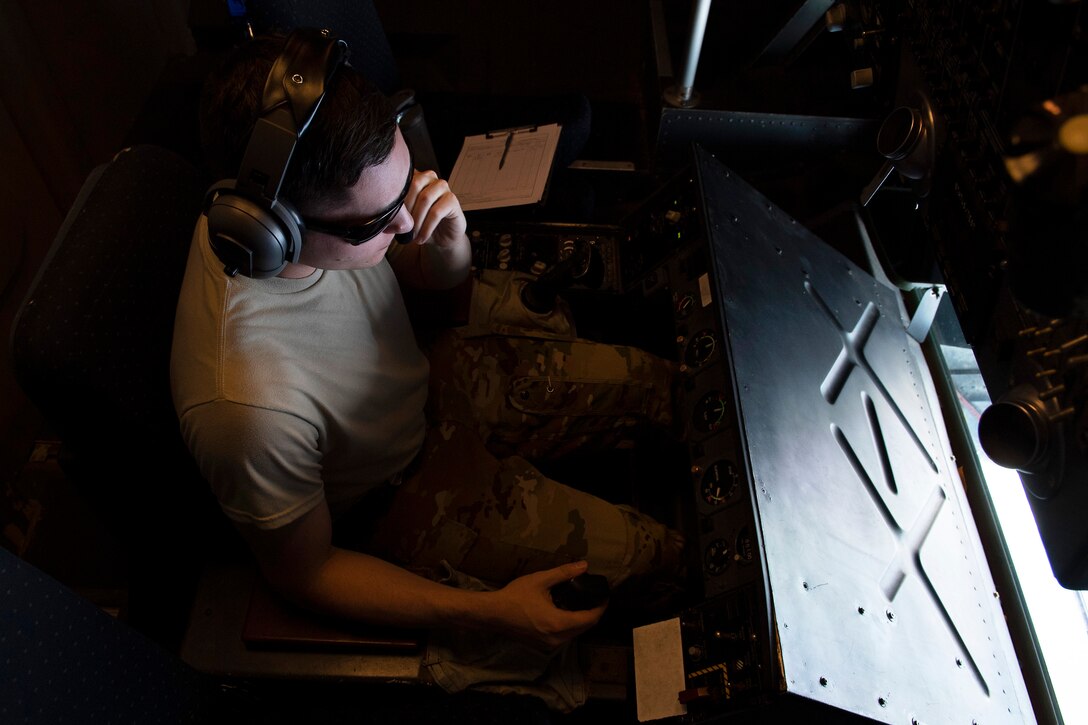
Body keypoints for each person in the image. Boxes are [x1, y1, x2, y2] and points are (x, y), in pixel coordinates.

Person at [170, 29, 683, 706]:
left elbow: (421, 277)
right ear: (275, 229)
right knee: (656, 559)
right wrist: (484, 613)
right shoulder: (248, 405)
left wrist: (448, 255)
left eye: (403, 190)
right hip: (392, 491)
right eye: (379, 222)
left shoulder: (285, 178)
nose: (405, 226)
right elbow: (307, 572)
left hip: (418, 373)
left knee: (659, 383)